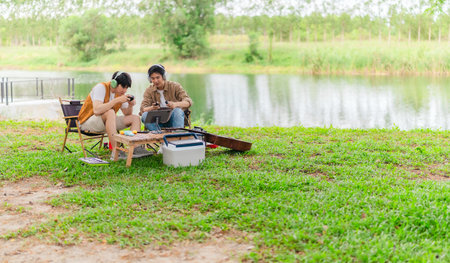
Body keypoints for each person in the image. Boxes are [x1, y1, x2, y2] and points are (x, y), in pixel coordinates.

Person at [78, 71, 148, 159]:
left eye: (126, 88)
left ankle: (136, 148)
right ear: (114, 83)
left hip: (108, 123)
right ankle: (116, 151)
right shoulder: (101, 87)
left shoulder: (120, 94)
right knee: (110, 112)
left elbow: (127, 114)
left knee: (135, 118)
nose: (125, 90)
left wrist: (130, 105)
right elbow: (96, 110)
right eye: (123, 87)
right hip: (87, 123)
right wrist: (116, 100)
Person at [140, 64, 192, 130]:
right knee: (145, 116)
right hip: (157, 122)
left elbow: (188, 102)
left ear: (163, 77)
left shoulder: (175, 86)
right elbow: (143, 109)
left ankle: (177, 136)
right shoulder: (149, 90)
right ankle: (158, 136)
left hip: (174, 120)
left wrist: (175, 104)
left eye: (158, 77)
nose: (155, 81)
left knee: (177, 111)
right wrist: (152, 108)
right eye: (153, 78)